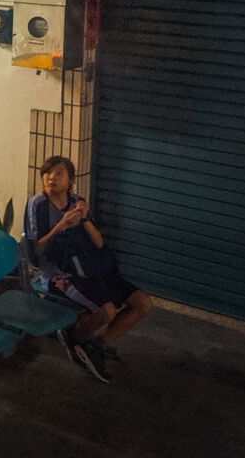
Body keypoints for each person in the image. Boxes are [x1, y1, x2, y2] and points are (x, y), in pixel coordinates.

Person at [25, 155, 153, 383]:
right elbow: (36, 250)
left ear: (70, 179)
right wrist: (60, 226)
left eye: (58, 173)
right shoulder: (38, 204)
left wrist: (83, 219)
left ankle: (95, 346)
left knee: (143, 303)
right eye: (47, 173)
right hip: (58, 274)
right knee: (108, 311)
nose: (51, 177)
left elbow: (98, 243)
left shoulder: (77, 202)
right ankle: (74, 337)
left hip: (91, 269)